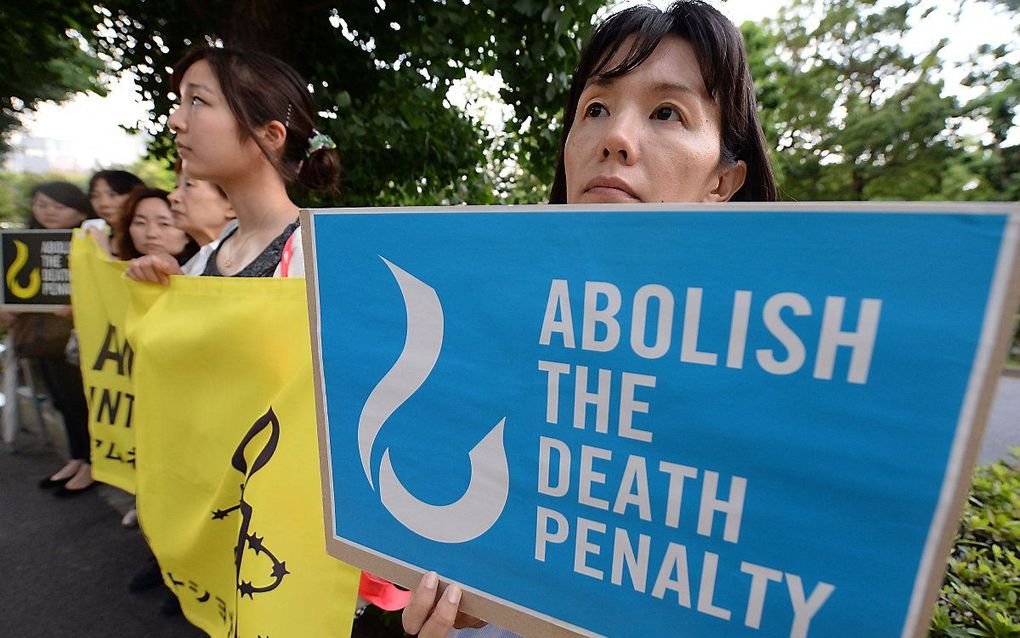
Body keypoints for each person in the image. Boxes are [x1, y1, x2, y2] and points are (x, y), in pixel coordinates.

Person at [402, 2, 776, 636]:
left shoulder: (769, 388)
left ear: (724, 179)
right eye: (595, 109)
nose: (616, 138)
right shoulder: (483, 341)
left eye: (667, 113)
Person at [6, 182, 97, 496]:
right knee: (61, 402)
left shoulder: (92, 241)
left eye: (58, 206)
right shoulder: (21, 243)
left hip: (75, 340)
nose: (48, 212)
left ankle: (90, 464)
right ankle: (77, 458)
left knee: (79, 403)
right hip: (37, 338)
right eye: (41, 204)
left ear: (80, 209)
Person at [114, 187, 198, 263]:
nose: (151, 234)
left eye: (164, 224)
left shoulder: (201, 274)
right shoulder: (119, 274)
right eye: (140, 222)